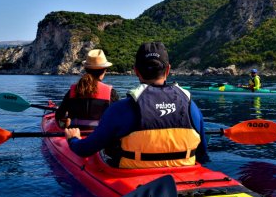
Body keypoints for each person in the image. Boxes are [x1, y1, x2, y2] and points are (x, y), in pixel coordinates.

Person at [64, 41, 209, 168]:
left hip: (130, 176)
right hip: (186, 176)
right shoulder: (191, 106)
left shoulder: (120, 110)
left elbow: (85, 150)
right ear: (168, 70)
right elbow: (202, 155)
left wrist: (73, 139)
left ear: (136, 71)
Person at [55, 49, 119, 130]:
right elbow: (118, 118)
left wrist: (65, 125)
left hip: (75, 135)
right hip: (100, 136)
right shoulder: (111, 93)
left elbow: (59, 116)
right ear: (104, 71)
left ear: (86, 69)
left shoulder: (72, 91)